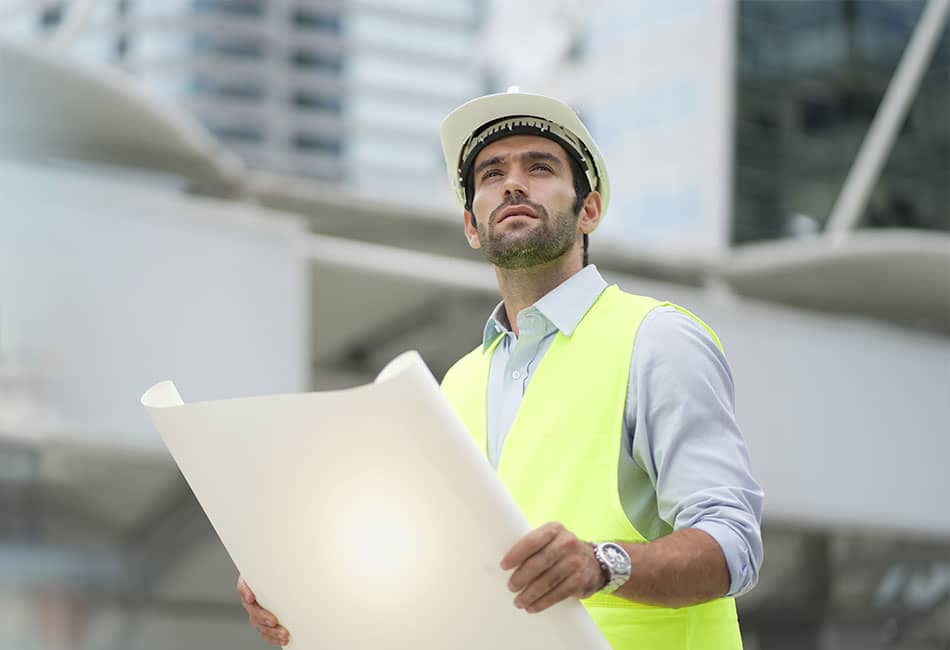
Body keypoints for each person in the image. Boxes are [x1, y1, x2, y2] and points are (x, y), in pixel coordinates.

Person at [238, 90, 763, 649]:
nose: (513, 184)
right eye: (491, 174)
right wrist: (304, 598)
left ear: (590, 210)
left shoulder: (657, 340)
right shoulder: (458, 383)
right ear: (471, 224)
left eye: (540, 167)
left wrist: (601, 564)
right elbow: (434, 577)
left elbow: (734, 544)